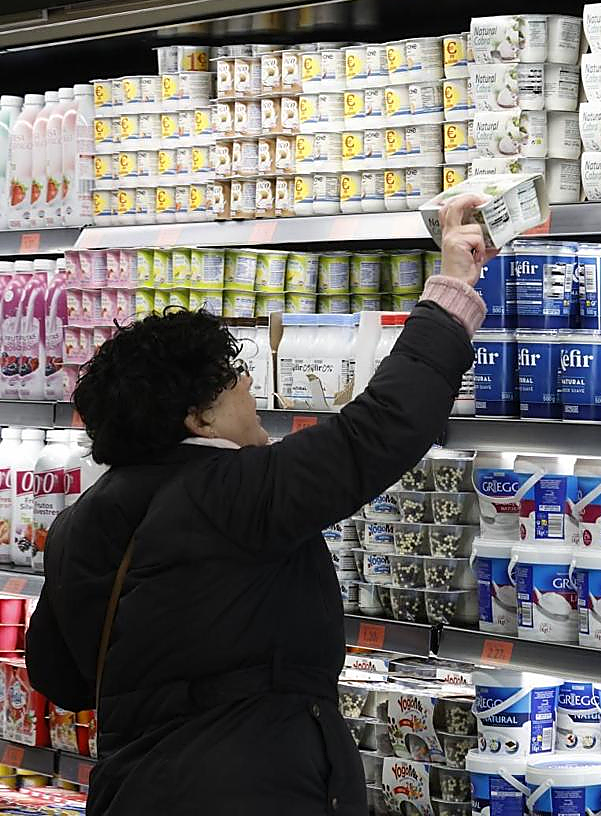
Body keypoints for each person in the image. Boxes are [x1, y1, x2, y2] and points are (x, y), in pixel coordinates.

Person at [26, 195, 496, 815]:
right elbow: (378, 432)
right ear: (197, 417)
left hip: (132, 789)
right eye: (230, 377)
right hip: (254, 787)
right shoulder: (231, 494)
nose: (248, 383)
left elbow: (59, 677)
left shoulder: (78, 523)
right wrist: (452, 291)